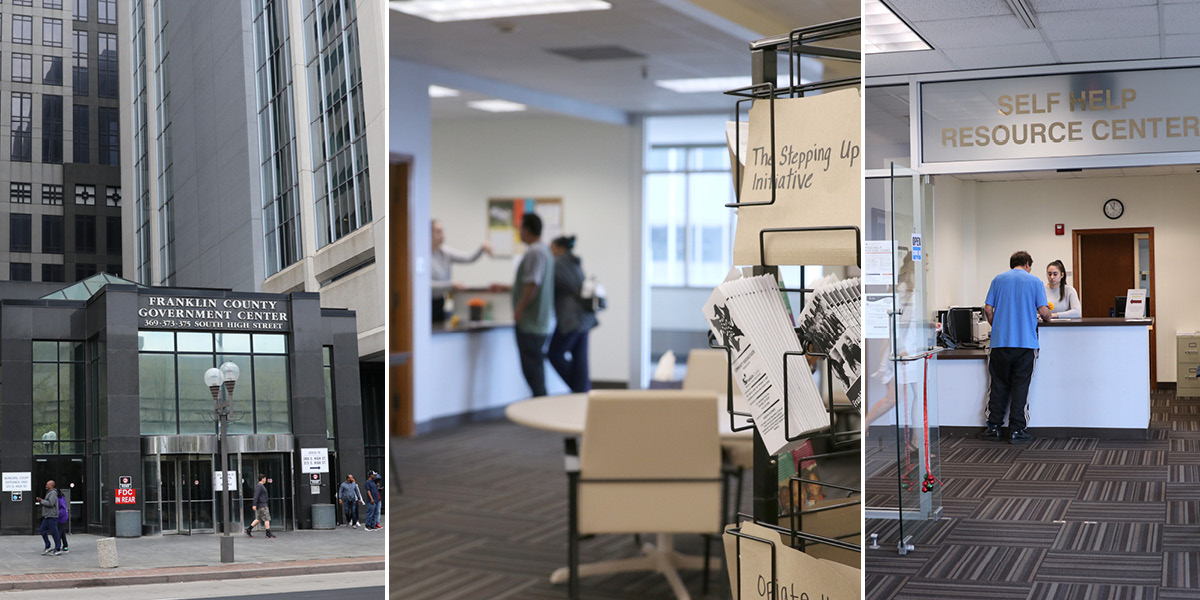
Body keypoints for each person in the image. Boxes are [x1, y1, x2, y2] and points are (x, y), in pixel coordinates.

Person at [979, 251, 1052, 444]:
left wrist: (998, 326)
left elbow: (987, 309)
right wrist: (1049, 316)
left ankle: (993, 427)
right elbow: (1044, 312)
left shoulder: (998, 279)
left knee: (997, 385)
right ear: (1027, 264)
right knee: (1021, 387)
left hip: (1000, 344)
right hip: (1025, 344)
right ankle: (1016, 430)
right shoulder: (1034, 281)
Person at [494, 213, 555, 397]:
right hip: (540, 320)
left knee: (532, 369)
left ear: (527, 229)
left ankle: (541, 408)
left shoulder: (534, 252)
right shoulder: (545, 251)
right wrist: (507, 288)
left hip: (531, 321)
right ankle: (541, 405)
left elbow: (532, 284)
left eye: (520, 227)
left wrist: (519, 309)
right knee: (535, 367)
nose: (519, 232)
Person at [546, 235, 598, 393]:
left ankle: (578, 389)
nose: (550, 251)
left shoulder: (558, 263)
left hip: (570, 318)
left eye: (552, 248)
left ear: (559, 248)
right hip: (584, 318)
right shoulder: (575, 262)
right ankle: (582, 391)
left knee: (554, 353)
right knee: (580, 358)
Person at [431, 219, 492, 322]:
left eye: (443, 231)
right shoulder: (421, 254)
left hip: (439, 301)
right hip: (425, 301)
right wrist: (450, 285)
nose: (443, 235)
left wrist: (482, 248)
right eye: (438, 231)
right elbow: (424, 285)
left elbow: (468, 258)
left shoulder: (445, 252)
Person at [245, 474, 276, 538]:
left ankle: (249, 529)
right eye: (264, 478)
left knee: (259, 519)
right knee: (267, 518)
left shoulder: (260, 486)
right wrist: (254, 504)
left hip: (261, 505)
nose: (265, 480)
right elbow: (256, 495)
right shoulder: (260, 486)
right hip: (263, 505)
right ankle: (268, 533)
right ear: (262, 479)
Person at [36, 480, 61, 556]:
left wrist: (41, 501)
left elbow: (51, 503)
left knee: (54, 533)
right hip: (46, 516)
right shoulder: (49, 493)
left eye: (47, 484)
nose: (46, 485)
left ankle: (58, 548)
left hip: (51, 516)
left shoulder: (53, 493)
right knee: (42, 530)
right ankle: (48, 546)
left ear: (51, 485)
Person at [56, 489, 69, 554]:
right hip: (61, 517)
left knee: (58, 532)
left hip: (61, 518)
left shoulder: (60, 499)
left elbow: (63, 509)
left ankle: (58, 547)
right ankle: (65, 545)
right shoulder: (61, 498)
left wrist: (57, 514)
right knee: (62, 532)